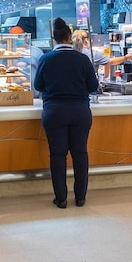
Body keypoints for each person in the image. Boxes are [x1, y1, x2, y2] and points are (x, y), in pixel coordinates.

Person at [34, 17, 99, 208]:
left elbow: (38, 86)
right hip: (80, 111)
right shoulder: (83, 59)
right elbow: (93, 86)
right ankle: (80, 197)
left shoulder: (46, 59)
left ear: (54, 38)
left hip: (54, 111)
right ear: (69, 37)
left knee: (57, 155)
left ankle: (61, 198)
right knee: (80, 153)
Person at [9, 25, 43, 98]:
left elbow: (42, 72)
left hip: (34, 93)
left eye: (19, 36)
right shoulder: (9, 53)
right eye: (14, 37)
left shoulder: (36, 52)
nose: (17, 39)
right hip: (13, 93)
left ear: (24, 36)